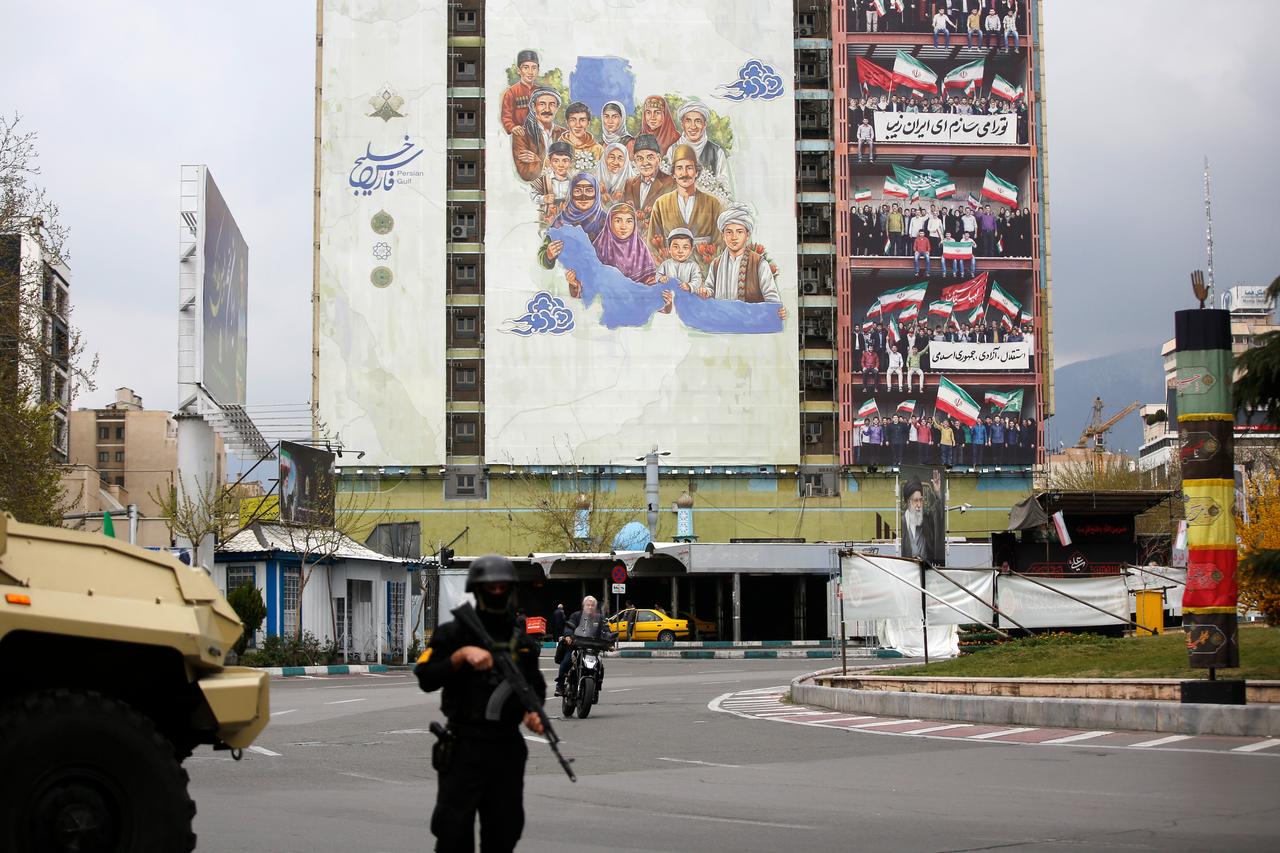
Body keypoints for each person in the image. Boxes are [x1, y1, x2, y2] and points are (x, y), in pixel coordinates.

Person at [414, 555, 544, 853]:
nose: (497, 593)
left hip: (506, 749)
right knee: (453, 833)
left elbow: (534, 686)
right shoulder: (454, 633)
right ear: (477, 589)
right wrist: (459, 658)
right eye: (491, 587)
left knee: (504, 833)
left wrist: (533, 711)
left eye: (503, 587)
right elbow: (425, 676)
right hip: (463, 747)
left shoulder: (521, 642)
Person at [704, 204, 787, 319]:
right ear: (723, 235)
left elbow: (771, 296)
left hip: (751, 325)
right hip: (722, 323)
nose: (734, 237)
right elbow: (709, 290)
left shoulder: (758, 263)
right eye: (729, 232)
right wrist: (704, 292)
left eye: (739, 232)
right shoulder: (716, 264)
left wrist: (777, 311)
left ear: (747, 235)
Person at [648, 144, 723, 261]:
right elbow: (653, 243)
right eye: (679, 168)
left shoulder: (713, 203)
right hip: (671, 270)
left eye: (689, 168)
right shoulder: (661, 204)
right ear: (673, 174)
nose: (684, 173)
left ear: (696, 172)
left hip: (705, 268)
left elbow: (720, 242)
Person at [538, 172, 608, 268]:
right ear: (571, 193)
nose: (583, 197)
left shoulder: (608, 221)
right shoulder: (561, 221)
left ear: (596, 193)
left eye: (589, 191)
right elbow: (542, 255)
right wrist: (548, 255)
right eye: (578, 191)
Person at [554, 595, 613, 696]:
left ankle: (596, 688)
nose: (590, 607)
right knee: (566, 661)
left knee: (600, 666)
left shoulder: (600, 618)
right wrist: (568, 636)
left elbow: (605, 630)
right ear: (583, 606)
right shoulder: (576, 615)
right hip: (576, 646)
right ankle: (560, 686)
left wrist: (609, 642)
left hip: (593, 648)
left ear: (595, 607)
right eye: (588, 605)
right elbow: (569, 626)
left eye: (592, 605)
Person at [513, 87, 567, 182]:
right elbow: (526, 173)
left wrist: (538, 161)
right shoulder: (522, 134)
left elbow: (572, 168)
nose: (547, 109)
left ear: (557, 108)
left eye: (552, 105)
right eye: (542, 104)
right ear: (534, 107)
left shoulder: (564, 134)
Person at [672, 98, 729, 189]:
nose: (693, 126)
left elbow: (724, 187)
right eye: (688, 121)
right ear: (682, 125)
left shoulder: (717, 152)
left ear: (704, 124)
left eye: (698, 121)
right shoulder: (673, 149)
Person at [622, 134, 675, 222]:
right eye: (640, 159)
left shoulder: (671, 183)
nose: (645, 163)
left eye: (650, 158)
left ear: (659, 159)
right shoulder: (629, 183)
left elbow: (672, 217)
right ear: (635, 161)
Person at [900, 475, 944, 563]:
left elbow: (937, 512)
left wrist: (938, 493)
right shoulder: (902, 522)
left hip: (926, 569)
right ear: (908, 502)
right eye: (916, 500)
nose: (919, 505)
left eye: (921, 500)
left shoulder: (926, 520)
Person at [528, 141, 574, 222]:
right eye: (556, 161)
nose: (560, 165)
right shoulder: (542, 181)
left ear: (571, 163)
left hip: (570, 217)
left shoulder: (575, 181)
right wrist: (543, 199)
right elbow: (533, 196)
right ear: (550, 162)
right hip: (548, 217)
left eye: (565, 161)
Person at [657, 228, 709, 298]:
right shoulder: (665, 264)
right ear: (669, 249)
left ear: (691, 250)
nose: (680, 251)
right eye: (676, 247)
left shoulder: (693, 265)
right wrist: (661, 278)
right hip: (669, 295)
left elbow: (697, 280)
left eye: (685, 247)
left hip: (686, 296)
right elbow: (658, 275)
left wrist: (689, 286)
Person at [501, 50, 540, 135]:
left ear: (538, 71)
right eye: (526, 68)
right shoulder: (511, 92)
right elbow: (506, 117)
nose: (530, 72)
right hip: (520, 135)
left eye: (534, 68)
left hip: (540, 134)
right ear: (519, 70)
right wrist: (512, 127)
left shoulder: (541, 92)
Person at [563, 101, 602, 166]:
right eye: (573, 120)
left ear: (588, 123)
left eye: (582, 120)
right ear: (567, 122)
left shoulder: (598, 149)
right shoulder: (558, 147)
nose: (578, 125)